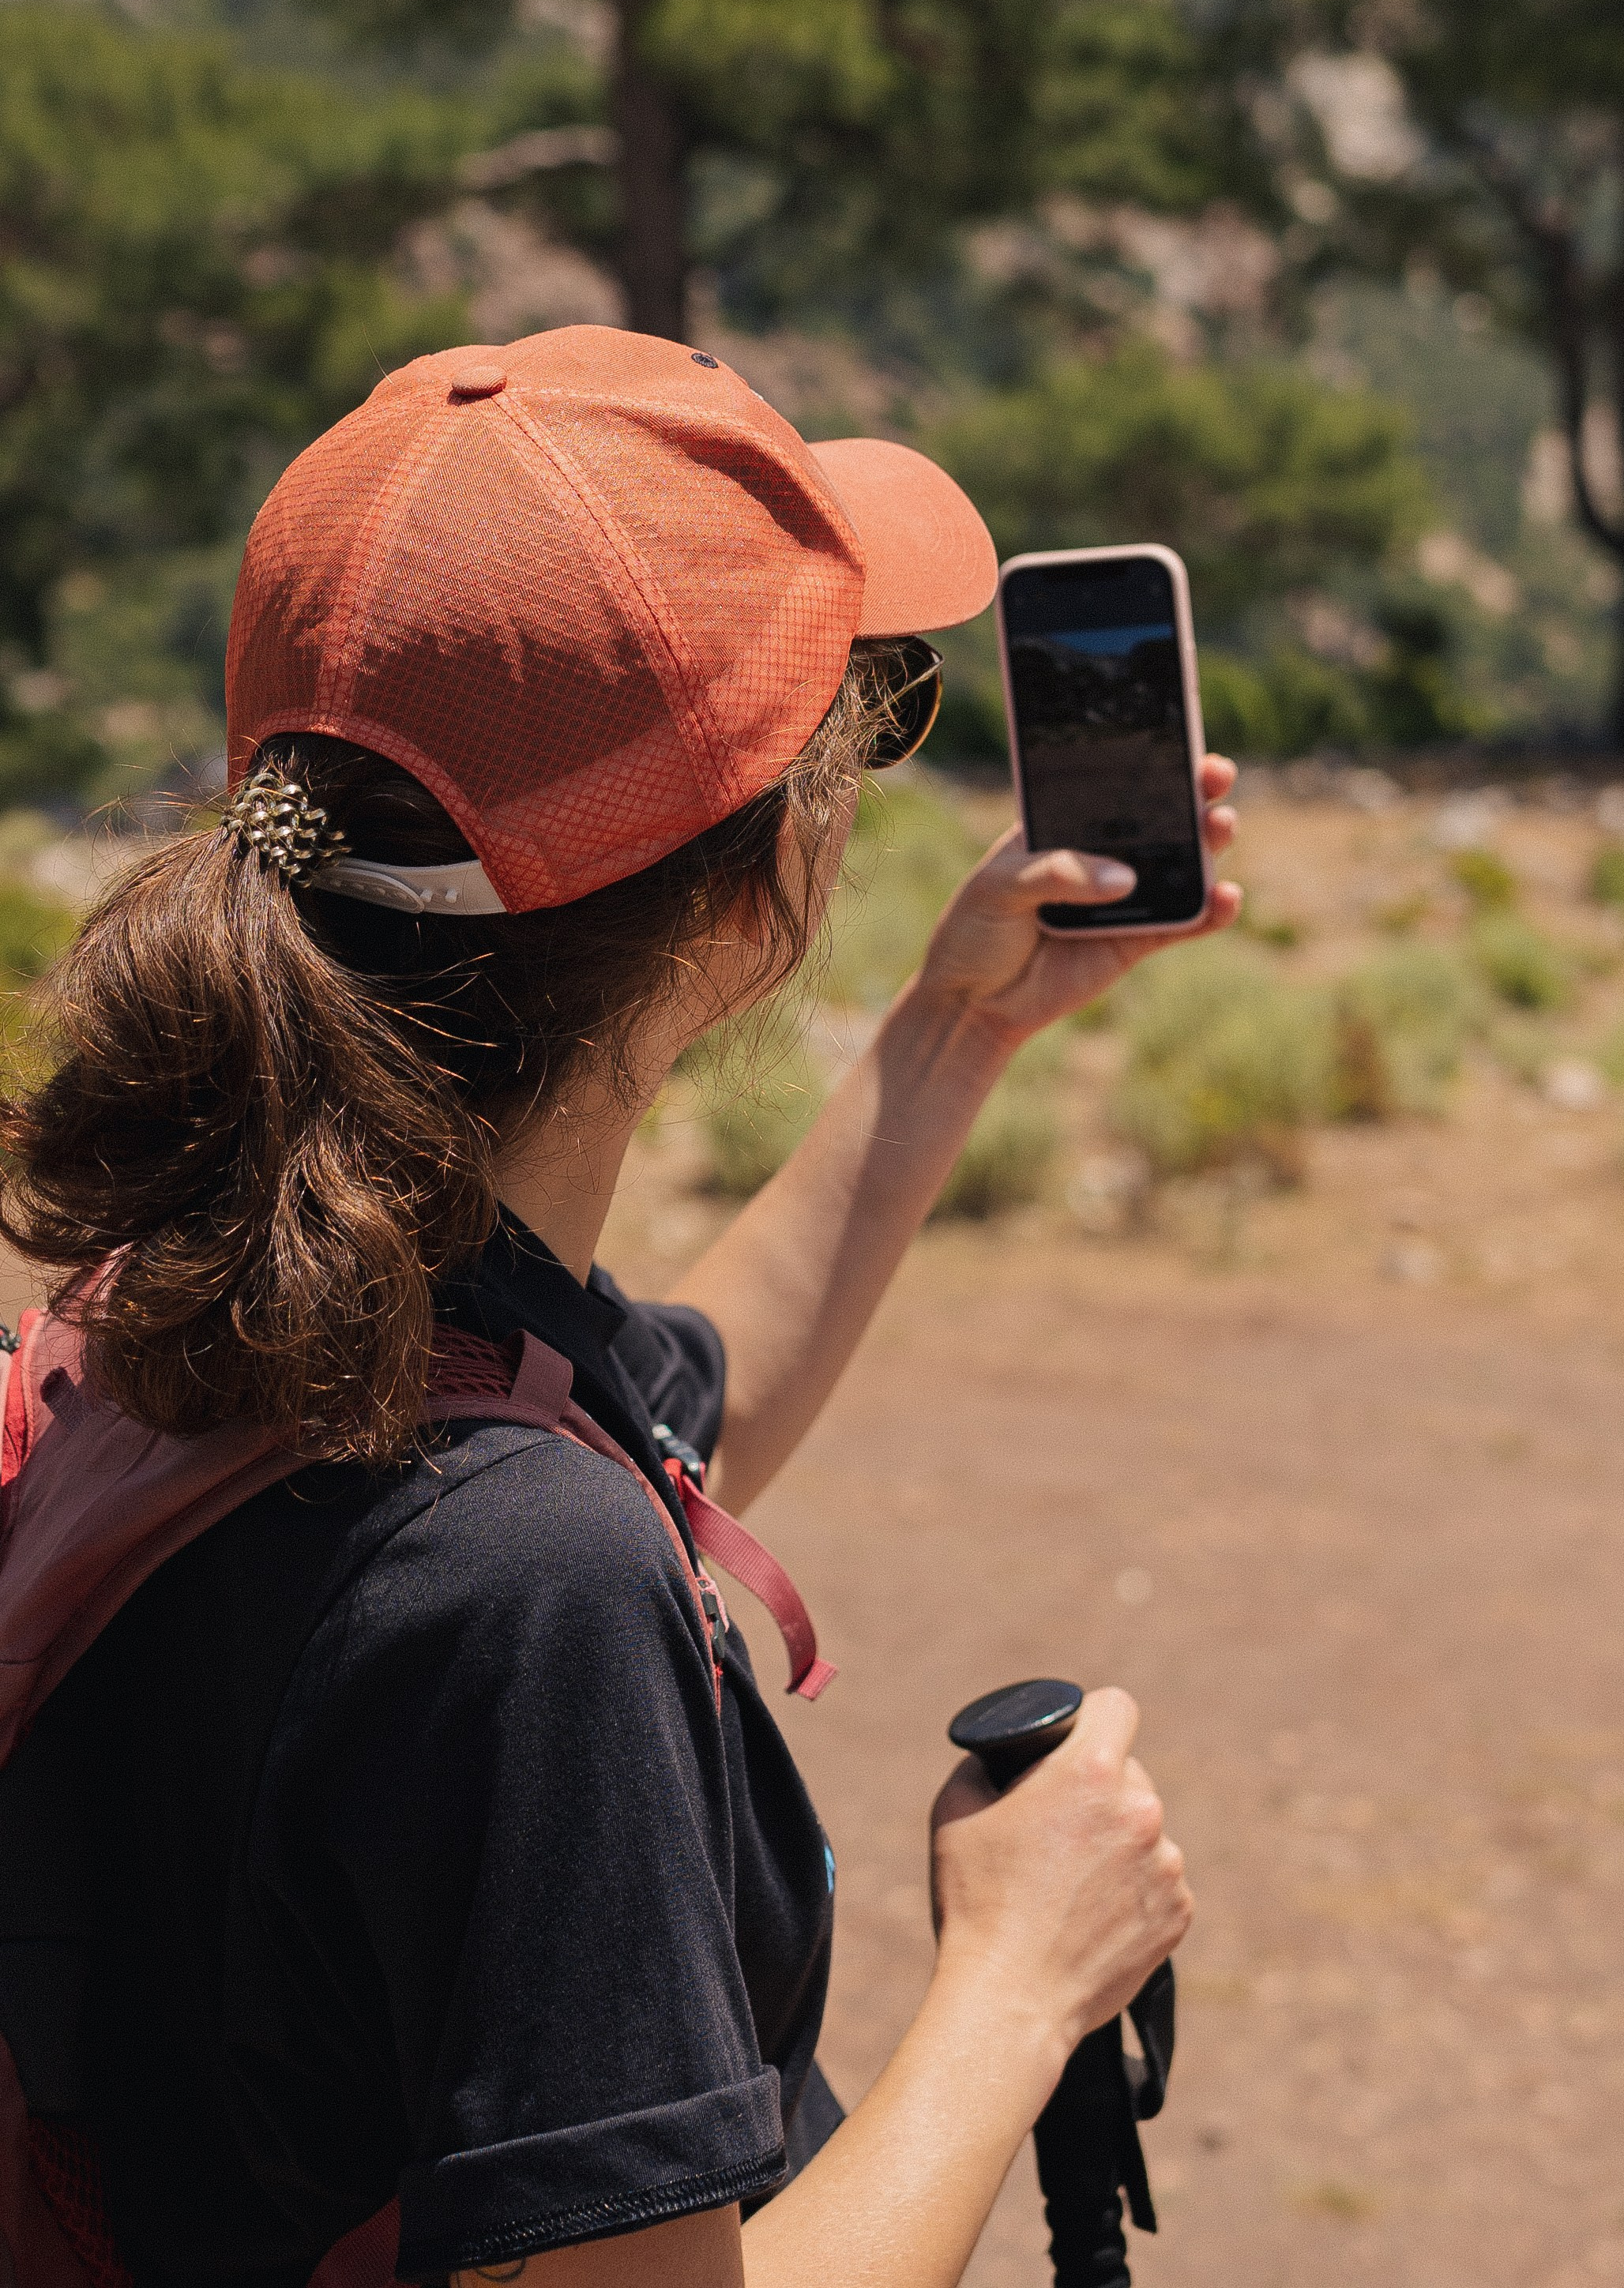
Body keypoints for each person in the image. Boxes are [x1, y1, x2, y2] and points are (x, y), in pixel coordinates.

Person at [0, 324, 1241, 2288]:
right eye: (862, 730)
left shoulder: (210, 1304)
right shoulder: (526, 1597)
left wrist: (949, 1040)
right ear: (762, 898)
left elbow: (656, 1413)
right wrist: (1020, 1979)